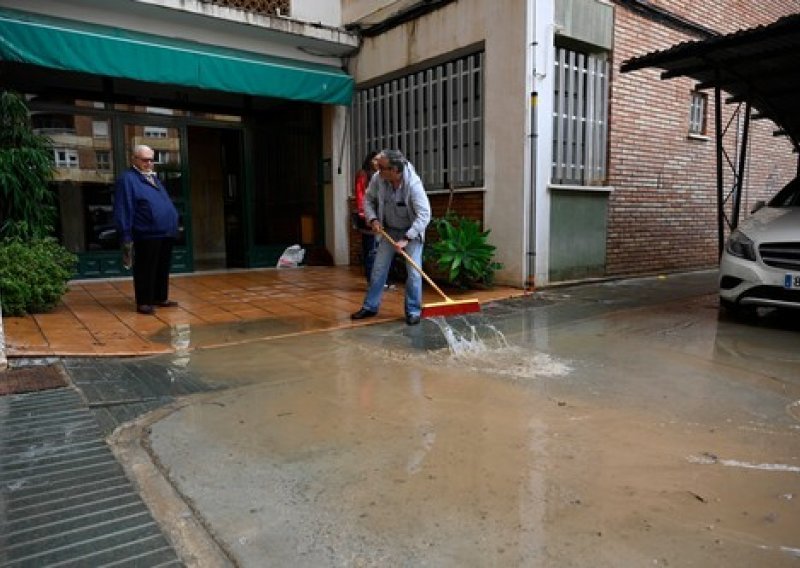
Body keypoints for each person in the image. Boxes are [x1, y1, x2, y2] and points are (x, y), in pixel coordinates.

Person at [350, 149, 431, 325]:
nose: (378, 169)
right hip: (389, 230)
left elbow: (424, 215)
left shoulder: (413, 185)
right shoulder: (379, 179)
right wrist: (373, 219)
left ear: (395, 170)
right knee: (378, 270)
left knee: (414, 273)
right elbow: (368, 200)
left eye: (382, 167)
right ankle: (370, 307)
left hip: (411, 232)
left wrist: (407, 238)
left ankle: (413, 310)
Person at [113, 144, 180, 315]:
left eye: (151, 160)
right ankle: (144, 302)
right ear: (134, 159)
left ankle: (160, 297)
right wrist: (126, 235)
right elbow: (124, 207)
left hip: (165, 231)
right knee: (146, 268)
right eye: (145, 160)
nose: (149, 163)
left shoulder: (153, 178)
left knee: (162, 267)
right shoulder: (127, 179)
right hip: (146, 232)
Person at [353, 150, 379, 282]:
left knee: (379, 250)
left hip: (379, 218)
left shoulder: (379, 175)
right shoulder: (363, 174)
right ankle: (371, 280)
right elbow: (360, 195)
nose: (377, 162)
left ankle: (380, 280)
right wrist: (366, 215)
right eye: (374, 160)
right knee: (371, 250)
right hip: (368, 218)